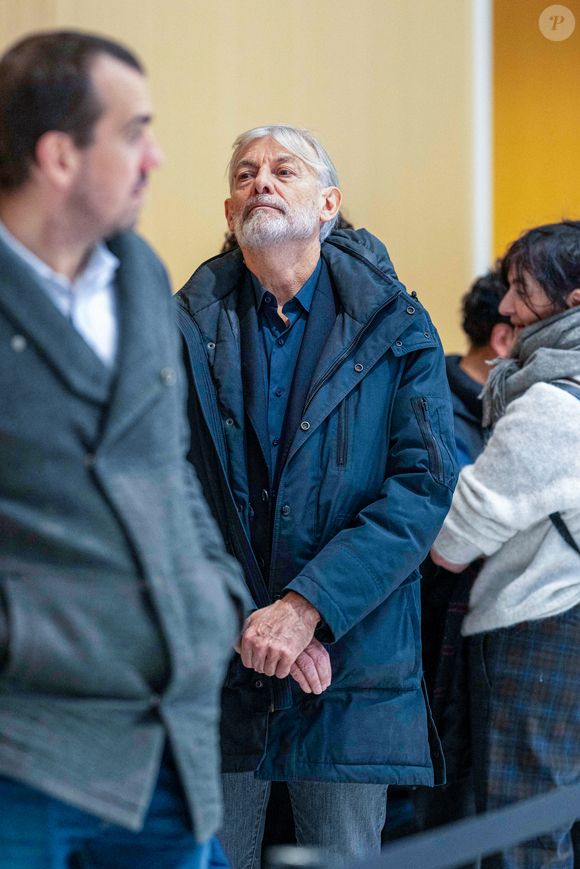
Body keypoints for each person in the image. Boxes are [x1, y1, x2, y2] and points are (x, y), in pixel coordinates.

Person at [176, 124, 457, 867]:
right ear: (230, 210)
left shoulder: (399, 326)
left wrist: (306, 609)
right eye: (244, 173)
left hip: (351, 662)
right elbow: (160, 490)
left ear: (329, 202)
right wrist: (255, 622)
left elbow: (423, 485)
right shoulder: (180, 328)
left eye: (283, 169)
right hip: (221, 659)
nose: (260, 181)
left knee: (343, 857)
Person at [0, 30, 246, 869]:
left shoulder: (142, 275)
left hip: (169, 745)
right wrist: (20, 635)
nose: (157, 157)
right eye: (134, 131)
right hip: (22, 749)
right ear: (59, 156)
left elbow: (165, 463)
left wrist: (213, 597)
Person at [431, 220, 580, 868]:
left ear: (573, 301)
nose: (508, 307)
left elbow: (456, 535)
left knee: (523, 842)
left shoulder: (555, 402)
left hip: (536, 636)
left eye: (522, 288)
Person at [409, 269, 513, 843]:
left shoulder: (511, 405)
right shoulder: (434, 407)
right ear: (503, 338)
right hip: (436, 645)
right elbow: (449, 537)